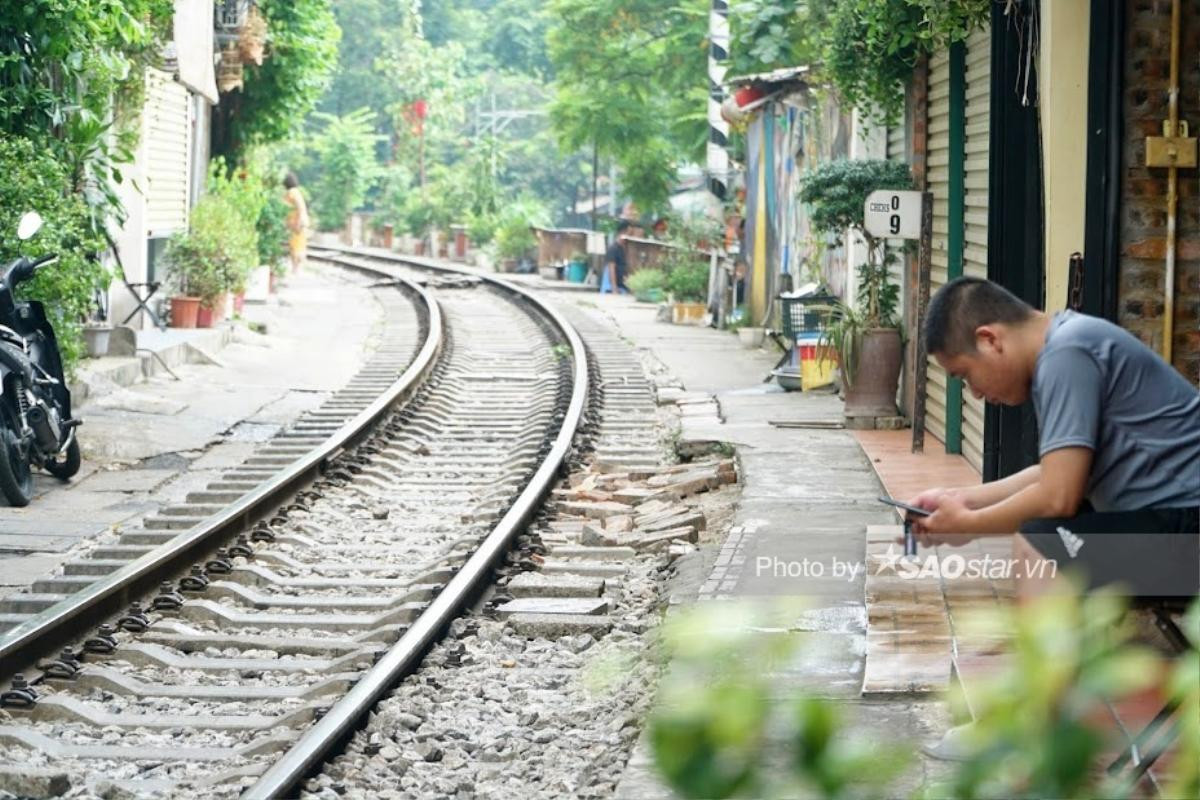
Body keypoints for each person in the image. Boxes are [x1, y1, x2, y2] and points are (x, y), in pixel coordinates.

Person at [905, 276, 1199, 599]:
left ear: (989, 339)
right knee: (1052, 532)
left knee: (1038, 545)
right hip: (1172, 521)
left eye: (965, 375)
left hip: (1188, 523)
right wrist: (961, 499)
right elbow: (1052, 477)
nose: (975, 393)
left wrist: (969, 524)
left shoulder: (1067, 353)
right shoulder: (1062, 349)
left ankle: (1045, 651)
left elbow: (1058, 497)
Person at [283, 172, 309, 272]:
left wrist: (298, 222)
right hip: (298, 222)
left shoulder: (292, 192)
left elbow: (300, 208)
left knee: (296, 245)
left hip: (297, 222)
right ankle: (296, 268)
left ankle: (296, 269)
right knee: (298, 244)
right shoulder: (295, 191)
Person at [601, 220, 631, 294]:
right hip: (615, 288)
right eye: (629, 233)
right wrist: (614, 289)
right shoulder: (613, 249)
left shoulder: (625, 248)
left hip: (624, 287)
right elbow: (611, 269)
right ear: (623, 232)